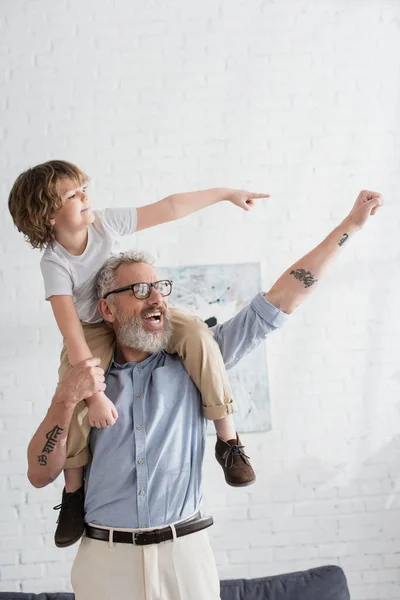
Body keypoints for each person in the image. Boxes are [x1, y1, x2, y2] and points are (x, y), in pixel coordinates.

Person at [26, 189, 383, 600]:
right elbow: (39, 474)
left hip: (185, 557)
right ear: (106, 310)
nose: (156, 297)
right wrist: (66, 399)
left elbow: (285, 297)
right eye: (139, 291)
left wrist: (348, 228)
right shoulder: (86, 382)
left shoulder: (198, 359)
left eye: (159, 288)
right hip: (104, 562)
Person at [9, 160, 269, 547]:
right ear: (48, 215)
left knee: (198, 334)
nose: (85, 196)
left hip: (131, 306)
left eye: (84, 188)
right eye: (73, 194)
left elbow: (170, 207)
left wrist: (224, 194)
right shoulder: (54, 262)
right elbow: (71, 332)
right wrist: (94, 395)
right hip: (92, 327)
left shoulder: (104, 223)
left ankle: (229, 442)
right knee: (76, 385)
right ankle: (73, 492)